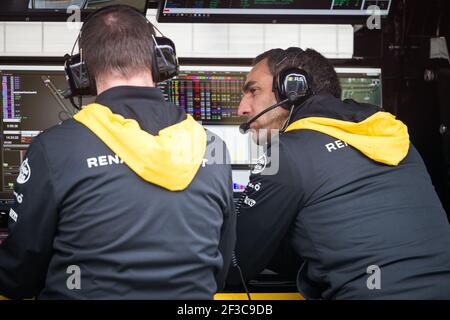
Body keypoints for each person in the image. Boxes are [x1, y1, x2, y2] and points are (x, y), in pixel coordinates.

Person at [0, 5, 235, 299]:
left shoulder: (53, 147)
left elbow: (19, 278)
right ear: (160, 61)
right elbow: (221, 270)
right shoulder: (213, 147)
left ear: (80, 73)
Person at [228, 47, 450, 299]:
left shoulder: (286, 152)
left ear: (292, 88)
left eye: (253, 91)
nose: (242, 109)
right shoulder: (395, 138)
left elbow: (235, 266)